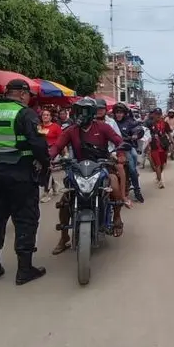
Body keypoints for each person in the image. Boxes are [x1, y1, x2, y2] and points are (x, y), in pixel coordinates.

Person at [0, 79, 50, 285]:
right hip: (20, 173)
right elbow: (38, 143)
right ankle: (24, 270)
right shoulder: (26, 113)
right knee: (25, 218)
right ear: (23, 94)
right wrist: (45, 164)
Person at [49, 98, 125, 252]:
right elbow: (57, 146)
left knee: (115, 184)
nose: (79, 115)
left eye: (83, 111)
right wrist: (48, 158)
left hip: (101, 167)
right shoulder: (71, 130)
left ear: (91, 113)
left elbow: (118, 140)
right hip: (78, 169)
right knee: (65, 200)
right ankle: (64, 237)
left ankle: (117, 217)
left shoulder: (103, 127)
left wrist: (121, 153)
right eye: (77, 111)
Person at [113, 102, 145, 203]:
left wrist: (136, 134)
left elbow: (138, 128)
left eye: (120, 112)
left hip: (127, 147)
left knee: (132, 167)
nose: (118, 114)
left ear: (124, 113)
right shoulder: (111, 122)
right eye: (117, 112)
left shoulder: (129, 122)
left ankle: (137, 190)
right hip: (112, 148)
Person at [38, 108, 63, 203]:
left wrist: (64, 152)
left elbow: (61, 140)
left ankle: (46, 193)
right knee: (46, 170)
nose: (45, 116)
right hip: (42, 151)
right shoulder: (39, 127)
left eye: (47, 115)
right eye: (44, 115)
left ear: (51, 117)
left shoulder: (55, 127)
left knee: (47, 170)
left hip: (53, 151)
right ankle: (54, 185)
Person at [147, 108, 171, 188]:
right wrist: (147, 146)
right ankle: (160, 181)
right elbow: (145, 135)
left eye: (159, 114)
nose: (157, 116)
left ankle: (158, 176)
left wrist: (171, 142)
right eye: (156, 114)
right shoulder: (149, 124)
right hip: (154, 146)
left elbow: (169, 133)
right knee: (157, 164)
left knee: (163, 164)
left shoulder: (165, 124)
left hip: (164, 146)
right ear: (153, 115)